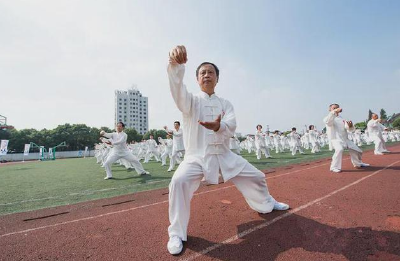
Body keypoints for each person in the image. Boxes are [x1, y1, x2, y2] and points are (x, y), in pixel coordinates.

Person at [166, 45, 289, 255]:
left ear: (217, 79)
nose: (207, 75)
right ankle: (177, 233)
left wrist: (219, 126)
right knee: (178, 182)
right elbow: (177, 91)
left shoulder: (226, 104)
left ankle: (266, 203)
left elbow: (231, 125)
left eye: (211, 72)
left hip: (225, 156)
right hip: (197, 157)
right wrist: (175, 66)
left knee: (258, 176)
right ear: (197, 79)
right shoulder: (190, 101)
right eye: (202, 72)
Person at [323, 104, 369, 173]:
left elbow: (349, 129)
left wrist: (350, 126)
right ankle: (334, 167)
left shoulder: (342, 119)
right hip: (335, 139)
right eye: (334, 108)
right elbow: (328, 122)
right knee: (339, 149)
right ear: (330, 110)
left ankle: (357, 164)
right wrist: (334, 112)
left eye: (337, 107)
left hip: (345, 139)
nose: (336, 109)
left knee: (357, 150)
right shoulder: (328, 118)